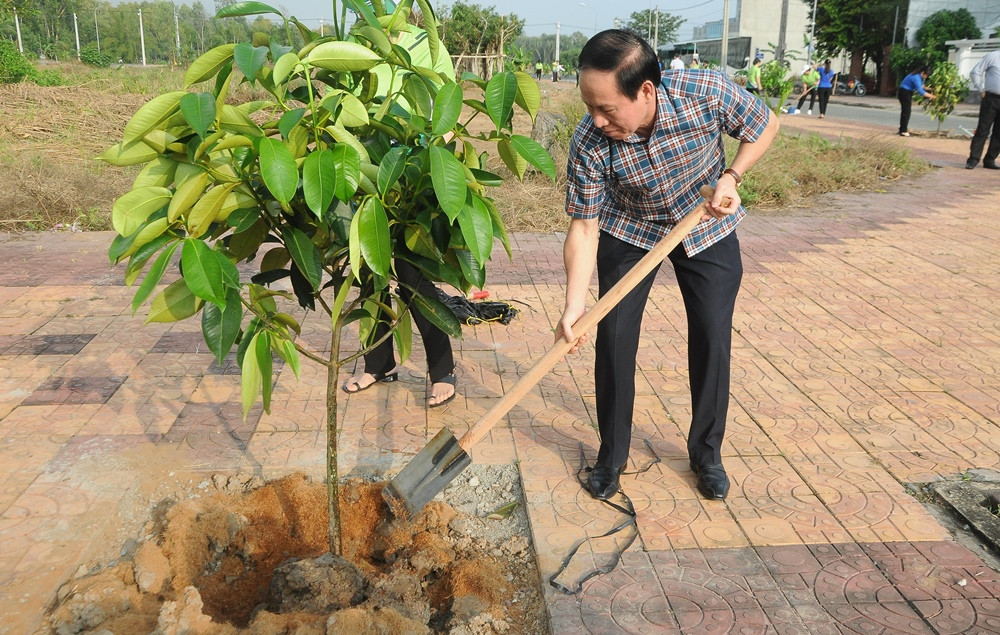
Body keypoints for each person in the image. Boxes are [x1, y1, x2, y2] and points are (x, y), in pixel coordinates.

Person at [557, 29, 779, 502]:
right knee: (613, 338)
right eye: (589, 107)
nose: (596, 121)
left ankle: (706, 454)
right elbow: (583, 228)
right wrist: (575, 305)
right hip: (630, 230)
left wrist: (732, 175)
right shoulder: (590, 142)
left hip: (705, 224)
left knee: (712, 335)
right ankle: (611, 455)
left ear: (646, 91)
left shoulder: (706, 93)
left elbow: (765, 125)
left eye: (607, 108)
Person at [342, 25, 458, 408]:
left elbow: (448, 109)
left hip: (414, 174)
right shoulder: (359, 42)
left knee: (414, 278)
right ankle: (379, 363)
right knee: (369, 273)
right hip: (370, 170)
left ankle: (441, 370)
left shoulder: (430, 44)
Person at [966, 49, 1000, 169]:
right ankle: (973, 159)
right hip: (991, 98)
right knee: (983, 129)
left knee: (999, 133)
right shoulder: (993, 56)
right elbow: (975, 72)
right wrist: (980, 88)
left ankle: (990, 160)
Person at [897, 66, 936, 137]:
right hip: (904, 93)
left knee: (905, 111)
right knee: (906, 112)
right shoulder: (916, 77)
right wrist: (933, 97)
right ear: (923, 73)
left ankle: (902, 129)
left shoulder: (917, 75)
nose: (926, 77)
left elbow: (922, 86)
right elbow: (921, 91)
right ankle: (903, 131)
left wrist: (931, 89)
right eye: (926, 75)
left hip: (905, 92)